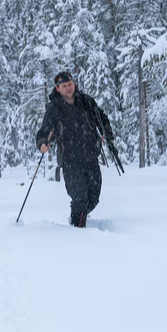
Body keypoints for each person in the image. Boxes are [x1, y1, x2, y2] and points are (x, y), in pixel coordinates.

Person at [35, 71, 114, 227]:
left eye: (70, 84)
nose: (68, 88)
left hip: (91, 157)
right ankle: (78, 233)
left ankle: (79, 217)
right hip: (70, 161)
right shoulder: (54, 109)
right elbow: (44, 131)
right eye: (64, 86)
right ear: (58, 89)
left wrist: (107, 133)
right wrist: (42, 143)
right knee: (79, 197)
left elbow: (102, 119)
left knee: (93, 198)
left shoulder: (86, 101)